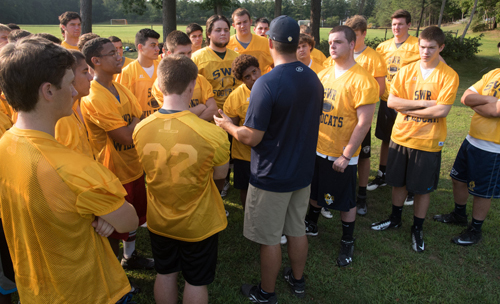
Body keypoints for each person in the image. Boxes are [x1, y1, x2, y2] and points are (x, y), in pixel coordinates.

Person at [0, 36, 138, 303]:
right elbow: (129, 220)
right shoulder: (76, 169)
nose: (75, 91)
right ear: (48, 91)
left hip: (37, 292)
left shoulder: (4, 145)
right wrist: (100, 215)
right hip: (90, 291)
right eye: (69, 83)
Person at [215, 15, 323, 304]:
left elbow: (251, 137)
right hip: (302, 171)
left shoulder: (266, 83)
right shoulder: (312, 77)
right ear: (296, 43)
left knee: (270, 238)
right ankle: (297, 281)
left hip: (272, 174)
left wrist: (227, 125)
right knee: (297, 229)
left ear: (271, 42)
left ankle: (266, 293)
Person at [134, 55, 229, 304]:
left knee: (165, 273)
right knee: (195, 280)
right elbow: (220, 177)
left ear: (160, 86)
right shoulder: (212, 134)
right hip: (199, 221)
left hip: (159, 219)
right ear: (192, 85)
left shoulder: (140, 129)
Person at [370, 26, 459, 253]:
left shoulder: (449, 75)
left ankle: (417, 227)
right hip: (400, 137)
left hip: (428, 141)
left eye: (431, 48)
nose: (425, 52)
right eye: (422, 46)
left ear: (441, 47)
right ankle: (395, 218)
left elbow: (442, 111)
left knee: (421, 189)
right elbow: (391, 102)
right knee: (397, 182)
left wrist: (408, 109)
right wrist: (428, 104)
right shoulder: (406, 71)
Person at [304, 25, 379, 267]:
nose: (332, 46)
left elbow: (364, 122)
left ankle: (347, 239)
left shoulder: (364, 80)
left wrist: (347, 154)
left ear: (352, 44)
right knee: (315, 190)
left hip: (342, 153)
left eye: (338, 42)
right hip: (318, 147)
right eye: (330, 42)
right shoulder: (324, 73)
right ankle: (311, 223)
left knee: (346, 200)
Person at [81, 37, 154, 269]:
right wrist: (134, 123)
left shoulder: (120, 87)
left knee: (133, 218)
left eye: (118, 51)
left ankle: (129, 257)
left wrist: (133, 124)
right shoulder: (93, 95)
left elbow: (138, 120)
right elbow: (125, 135)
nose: (119, 55)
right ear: (96, 61)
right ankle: (114, 272)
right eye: (112, 53)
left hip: (133, 166)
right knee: (112, 225)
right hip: (111, 173)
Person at [433, 69, 500, 245]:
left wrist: (478, 104)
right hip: (472, 139)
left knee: (482, 192)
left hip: (493, 147)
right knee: (458, 179)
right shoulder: (494, 73)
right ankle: (459, 214)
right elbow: (465, 97)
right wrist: (489, 101)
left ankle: (475, 230)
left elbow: (496, 111)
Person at [369, 10, 420, 207]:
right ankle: (382, 174)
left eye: (400, 24)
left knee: (408, 143)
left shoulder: (417, 45)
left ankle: (410, 186)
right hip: (386, 99)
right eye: (394, 24)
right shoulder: (382, 47)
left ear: (409, 25)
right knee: (385, 139)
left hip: (406, 102)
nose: (396, 27)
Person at [343, 15, 387, 216]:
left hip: (360, 116)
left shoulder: (374, 57)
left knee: (362, 154)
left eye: (356, 36)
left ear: (364, 34)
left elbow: (380, 87)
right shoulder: (342, 54)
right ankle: (340, 189)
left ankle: (361, 196)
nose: (352, 40)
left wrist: (361, 104)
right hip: (340, 117)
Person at [151, 30, 218, 122]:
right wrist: (201, 107)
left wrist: (193, 124)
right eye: (181, 54)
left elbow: (213, 110)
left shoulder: (200, 79)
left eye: (189, 53)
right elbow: (173, 115)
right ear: (169, 53)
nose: (187, 58)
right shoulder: (160, 84)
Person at [223, 54, 261, 208]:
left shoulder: (273, 86)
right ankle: (248, 215)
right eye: (247, 76)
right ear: (241, 80)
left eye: (254, 72)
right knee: (245, 187)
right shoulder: (235, 98)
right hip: (244, 154)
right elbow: (231, 127)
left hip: (268, 151)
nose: (253, 77)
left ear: (259, 69)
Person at [192, 15, 241, 111]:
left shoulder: (238, 57)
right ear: (209, 34)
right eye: (218, 30)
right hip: (210, 117)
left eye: (226, 30)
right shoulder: (196, 58)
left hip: (236, 114)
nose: (223, 33)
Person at [55, 50, 94, 158]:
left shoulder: (73, 106)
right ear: (69, 76)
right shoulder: (61, 120)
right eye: (85, 72)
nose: (91, 77)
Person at [117, 29, 161, 119]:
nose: (157, 49)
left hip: (162, 122)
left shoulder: (163, 68)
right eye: (153, 46)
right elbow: (123, 105)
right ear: (140, 47)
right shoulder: (127, 72)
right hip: (139, 124)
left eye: (157, 45)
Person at [227, 8, 274, 75]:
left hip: (259, 84)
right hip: (235, 85)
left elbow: (276, 66)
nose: (242, 26)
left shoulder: (265, 42)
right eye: (239, 23)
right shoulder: (227, 44)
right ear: (234, 26)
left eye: (245, 22)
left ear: (250, 22)